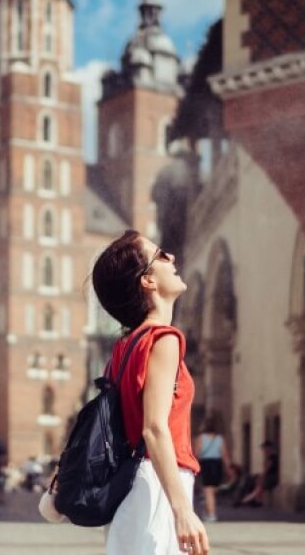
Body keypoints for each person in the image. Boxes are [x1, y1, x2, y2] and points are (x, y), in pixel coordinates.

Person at [90, 230, 208, 555]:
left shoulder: (122, 349)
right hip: (156, 486)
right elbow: (154, 428)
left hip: (128, 490)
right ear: (148, 281)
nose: (172, 258)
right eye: (161, 255)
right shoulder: (163, 339)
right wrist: (183, 511)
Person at [195, 416, 233, 521]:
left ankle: (211, 514)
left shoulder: (200, 438)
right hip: (217, 464)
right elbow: (225, 454)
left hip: (206, 464)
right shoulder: (219, 439)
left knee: (208, 490)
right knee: (211, 491)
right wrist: (228, 468)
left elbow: (197, 453)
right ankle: (208, 512)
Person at [238, 441, 278, 507]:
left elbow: (267, 469)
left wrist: (261, 476)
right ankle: (253, 500)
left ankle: (246, 500)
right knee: (253, 480)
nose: (264, 451)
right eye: (263, 449)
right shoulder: (269, 457)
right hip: (269, 476)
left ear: (269, 448)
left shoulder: (273, 457)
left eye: (265, 449)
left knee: (259, 484)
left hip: (272, 477)